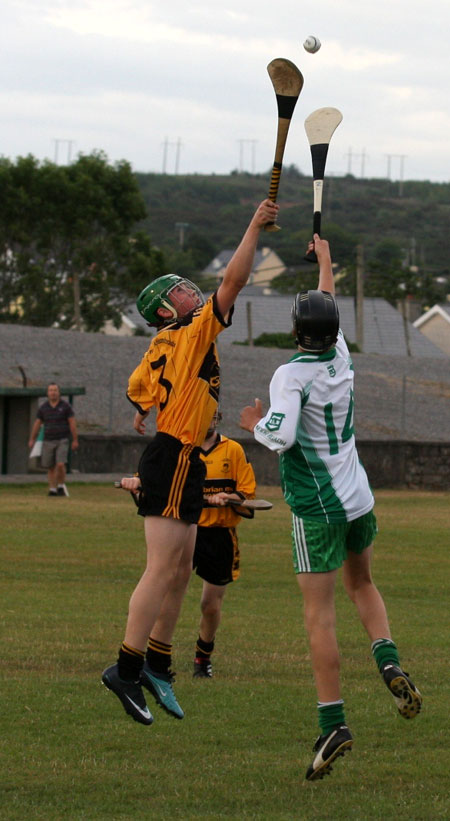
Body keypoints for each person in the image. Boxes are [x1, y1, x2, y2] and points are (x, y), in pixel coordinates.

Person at [239, 234, 422, 781]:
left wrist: (255, 425)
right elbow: (327, 308)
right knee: (362, 584)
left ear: (297, 333)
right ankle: (387, 660)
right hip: (359, 497)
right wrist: (325, 262)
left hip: (317, 509)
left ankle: (334, 723)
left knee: (319, 615)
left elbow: (283, 431)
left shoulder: (289, 375)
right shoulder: (341, 355)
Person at [101, 198, 278, 726]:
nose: (188, 291)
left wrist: (141, 408)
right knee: (162, 569)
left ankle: (157, 662)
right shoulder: (192, 327)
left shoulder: (164, 339)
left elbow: (141, 383)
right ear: (164, 309)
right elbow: (236, 282)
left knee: (180, 570)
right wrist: (252, 225)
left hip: (181, 456)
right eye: (177, 290)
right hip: (176, 454)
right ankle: (125, 670)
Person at [192, 409, 256, 678]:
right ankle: (156, 658)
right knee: (165, 593)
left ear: (216, 418)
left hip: (219, 535)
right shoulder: (183, 448)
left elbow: (248, 497)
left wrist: (229, 497)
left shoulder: (234, 451)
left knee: (210, 604)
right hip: (187, 530)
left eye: (208, 414)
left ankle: (202, 658)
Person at [28, 383, 79, 497]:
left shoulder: (66, 406)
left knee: (60, 464)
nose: (53, 392)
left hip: (62, 439)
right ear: (47, 393)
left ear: (59, 392)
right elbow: (37, 423)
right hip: (48, 440)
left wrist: (75, 439)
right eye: (51, 390)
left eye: (55, 390)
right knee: (50, 466)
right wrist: (32, 438)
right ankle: (52, 489)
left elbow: (72, 423)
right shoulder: (43, 408)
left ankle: (61, 486)